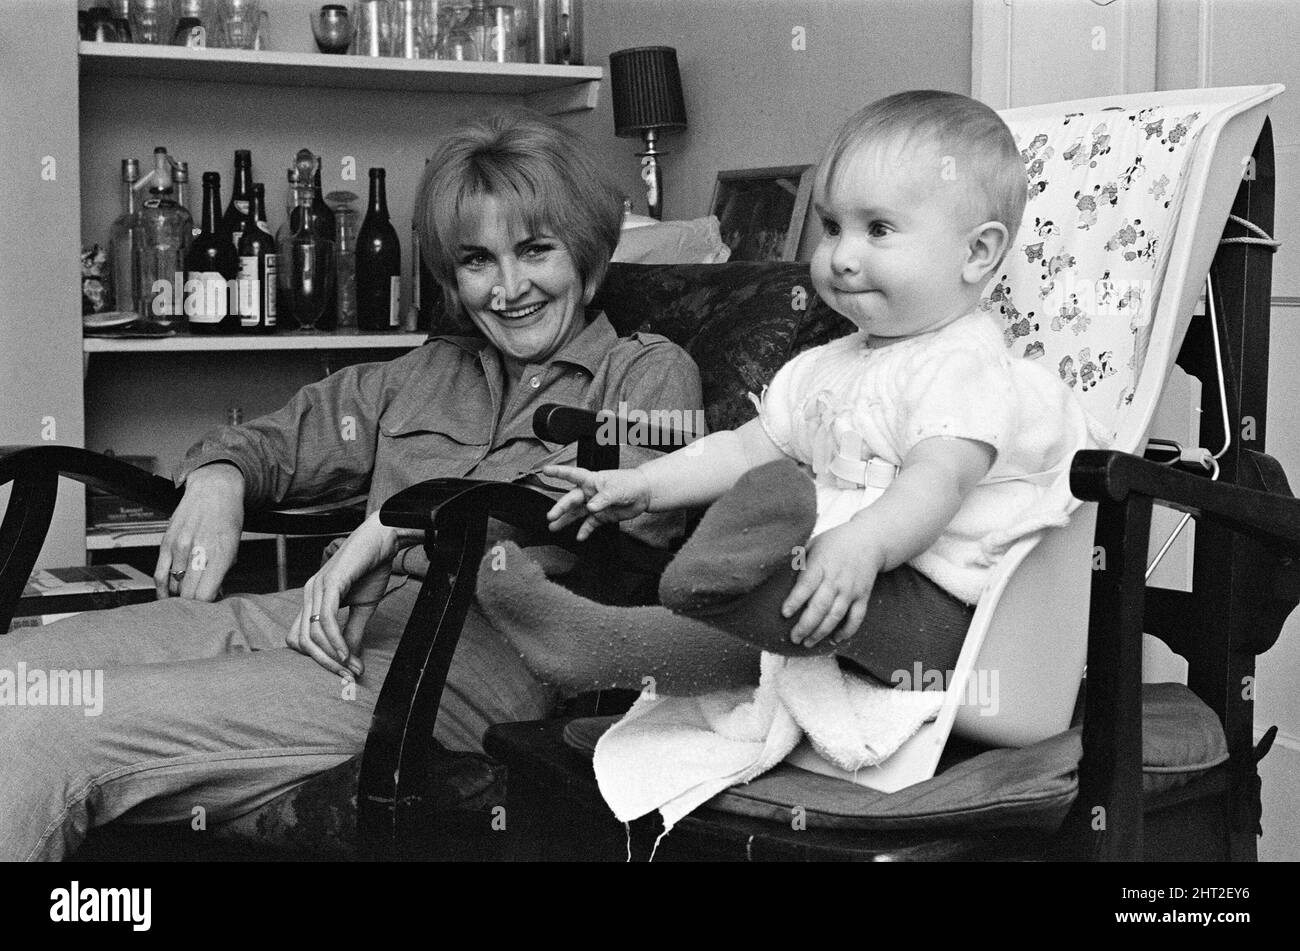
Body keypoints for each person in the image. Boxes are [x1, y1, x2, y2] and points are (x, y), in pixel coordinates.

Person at [0, 110, 704, 861]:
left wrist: (399, 527)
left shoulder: (647, 370)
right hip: (326, 626)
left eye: (535, 251)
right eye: (476, 260)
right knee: (19, 678)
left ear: (587, 256)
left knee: (60, 728)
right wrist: (220, 474)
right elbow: (279, 436)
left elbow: (630, 502)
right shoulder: (423, 375)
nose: (508, 288)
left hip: (466, 670)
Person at [476, 90, 1097, 692]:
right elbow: (744, 452)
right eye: (832, 227)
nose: (843, 256)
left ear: (978, 252)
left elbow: (938, 480)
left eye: (878, 229)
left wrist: (864, 545)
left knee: (790, 602)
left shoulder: (968, 366)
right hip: (833, 581)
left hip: (952, 612)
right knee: (763, 620)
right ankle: (609, 641)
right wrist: (646, 486)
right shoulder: (824, 367)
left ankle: (654, 623)